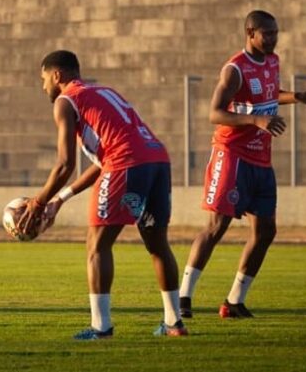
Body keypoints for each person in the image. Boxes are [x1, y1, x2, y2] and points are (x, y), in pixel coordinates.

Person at [18, 50, 188, 340]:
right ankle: (174, 323)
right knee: (157, 243)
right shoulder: (101, 92)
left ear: (57, 75)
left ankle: (101, 328)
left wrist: (38, 202)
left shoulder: (65, 100)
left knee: (96, 245)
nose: (43, 85)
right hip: (157, 160)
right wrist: (59, 199)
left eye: (44, 79)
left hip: (127, 162)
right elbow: (101, 162)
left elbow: (65, 164)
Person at [178, 10, 306, 319]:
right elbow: (215, 113)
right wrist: (256, 120)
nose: (273, 38)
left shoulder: (273, 61)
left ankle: (234, 301)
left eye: (276, 33)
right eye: (267, 33)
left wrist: (297, 97)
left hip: (261, 160)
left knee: (266, 231)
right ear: (250, 33)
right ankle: (183, 297)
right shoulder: (235, 69)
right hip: (232, 156)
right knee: (217, 227)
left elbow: (269, 97)